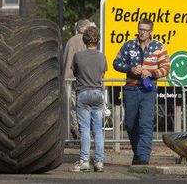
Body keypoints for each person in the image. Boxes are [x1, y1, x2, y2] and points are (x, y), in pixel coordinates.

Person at [113, 18, 170, 165]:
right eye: (140, 29)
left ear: (151, 31)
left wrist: (151, 73)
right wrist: (130, 69)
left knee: (146, 123)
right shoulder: (128, 45)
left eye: (145, 30)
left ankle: (143, 158)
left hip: (148, 90)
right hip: (130, 89)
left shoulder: (159, 47)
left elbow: (166, 67)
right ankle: (138, 153)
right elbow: (116, 63)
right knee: (130, 124)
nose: (142, 32)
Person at [70, 26, 107, 173]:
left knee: (85, 129)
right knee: (98, 130)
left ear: (84, 40)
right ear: (98, 40)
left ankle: (84, 161)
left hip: (83, 93)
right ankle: (99, 162)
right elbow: (102, 75)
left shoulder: (78, 56)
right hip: (97, 93)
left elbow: (75, 72)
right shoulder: (101, 56)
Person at [64, 19, 92, 139]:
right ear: (84, 28)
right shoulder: (87, 41)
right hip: (83, 78)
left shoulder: (70, 41)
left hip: (68, 78)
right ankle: (82, 131)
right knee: (84, 105)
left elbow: (65, 58)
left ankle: (74, 126)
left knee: (72, 105)